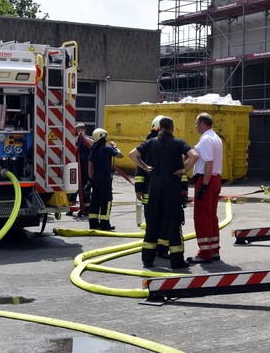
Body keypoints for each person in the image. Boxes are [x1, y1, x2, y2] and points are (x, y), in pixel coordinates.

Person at [129, 117, 199, 269]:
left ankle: (147, 260)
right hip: (172, 189)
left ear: (160, 127)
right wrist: (184, 170)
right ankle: (176, 261)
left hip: (154, 189)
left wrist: (146, 167)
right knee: (173, 224)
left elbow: (132, 154)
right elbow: (195, 155)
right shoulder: (178, 143)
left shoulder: (151, 142)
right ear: (172, 128)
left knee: (152, 224)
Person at [188, 113, 224, 264]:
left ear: (203, 124)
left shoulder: (206, 139)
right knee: (211, 216)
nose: (196, 126)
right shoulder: (215, 138)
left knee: (202, 217)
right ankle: (214, 249)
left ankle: (204, 253)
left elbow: (208, 163)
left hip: (206, 180)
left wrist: (204, 185)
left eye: (197, 123)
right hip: (214, 180)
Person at [87, 128, 121, 231]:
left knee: (95, 201)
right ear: (101, 137)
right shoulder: (106, 149)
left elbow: (90, 166)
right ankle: (105, 224)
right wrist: (115, 147)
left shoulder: (93, 150)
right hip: (105, 179)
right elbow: (120, 155)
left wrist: (91, 178)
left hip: (96, 179)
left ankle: (93, 223)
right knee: (106, 200)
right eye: (105, 135)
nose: (107, 137)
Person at [73, 122, 93, 217]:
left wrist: (84, 138)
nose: (80, 131)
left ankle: (86, 208)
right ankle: (71, 207)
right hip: (76, 167)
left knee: (86, 188)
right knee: (73, 188)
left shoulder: (89, 139)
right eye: (78, 129)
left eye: (82, 129)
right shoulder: (75, 140)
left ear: (85, 130)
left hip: (86, 167)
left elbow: (92, 145)